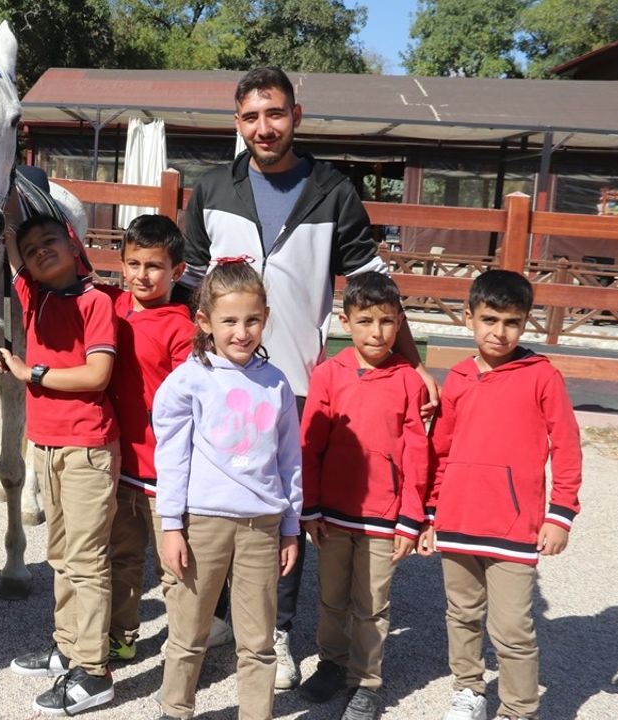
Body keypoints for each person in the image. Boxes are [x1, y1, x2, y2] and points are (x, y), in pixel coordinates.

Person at [177, 66, 437, 689]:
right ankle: (218, 615)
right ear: (236, 122)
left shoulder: (333, 190)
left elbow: (376, 290)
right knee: (212, 497)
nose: (263, 127)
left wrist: (415, 365)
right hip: (217, 379)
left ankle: (277, 632)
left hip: (294, 379)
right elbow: (188, 286)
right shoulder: (211, 188)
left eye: (275, 113)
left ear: (297, 113)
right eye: (251, 116)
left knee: (279, 510)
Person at [418, 270, 582, 720]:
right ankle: (468, 689)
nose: (500, 331)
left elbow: (566, 446)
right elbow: (440, 450)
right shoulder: (458, 378)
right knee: (462, 615)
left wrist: (560, 514)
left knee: (512, 629)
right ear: (469, 317)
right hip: (458, 521)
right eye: (489, 319)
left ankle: (518, 709)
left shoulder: (542, 376)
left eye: (512, 322)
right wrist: (431, 514)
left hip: (513, 526)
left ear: (526, 322)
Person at [153, 258, 303, 720]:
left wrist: (292, 525)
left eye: (252, 320)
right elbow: (172, 458)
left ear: (266, 319)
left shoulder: (276, 383)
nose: (242, 332)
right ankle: (175, 709)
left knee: (257, 639)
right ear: (205, 322)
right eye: (230, 321)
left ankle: (256, 713)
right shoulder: (188, 381)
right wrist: (171, 525)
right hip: (203, 523)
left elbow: (288, 460)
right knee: (188, 630)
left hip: (262, 525)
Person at [0, 216, 119, 716]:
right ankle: (68, 646)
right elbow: (3, 232)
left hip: (88, 446)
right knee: (60, 554)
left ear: (73, 243)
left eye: (50, 241)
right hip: (46, 444)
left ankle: (94, 671)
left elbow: (98, 373)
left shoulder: (95, 302)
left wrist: (33, 373)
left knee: (87, 559)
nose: (40, 252)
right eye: (31, 249)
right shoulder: (32, 292)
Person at [297, 272, 430, 719]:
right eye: (366, 320)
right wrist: (310, 506)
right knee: (332, 597)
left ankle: (366, 680)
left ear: (400, 322)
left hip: (383, 518)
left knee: (372, 604)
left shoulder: (409, 380)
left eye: (387, 322)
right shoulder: (328, 375)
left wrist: (411, 519)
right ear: (345, 321)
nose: (377, 332)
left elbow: (417, 453)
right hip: (333, 515)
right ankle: (332, 662)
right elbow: (310, 444)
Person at [93, 214, 205, 664]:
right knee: (120, 556)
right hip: (121, 464)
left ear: (176, 271)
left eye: (154, 266)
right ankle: (122, 634)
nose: (142, 275)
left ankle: (185, 645)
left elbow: (191, 405)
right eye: (134, 263)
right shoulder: (111, 306)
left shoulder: (182, 327)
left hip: (166, 471)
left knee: (175, 567)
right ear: (121, 264)